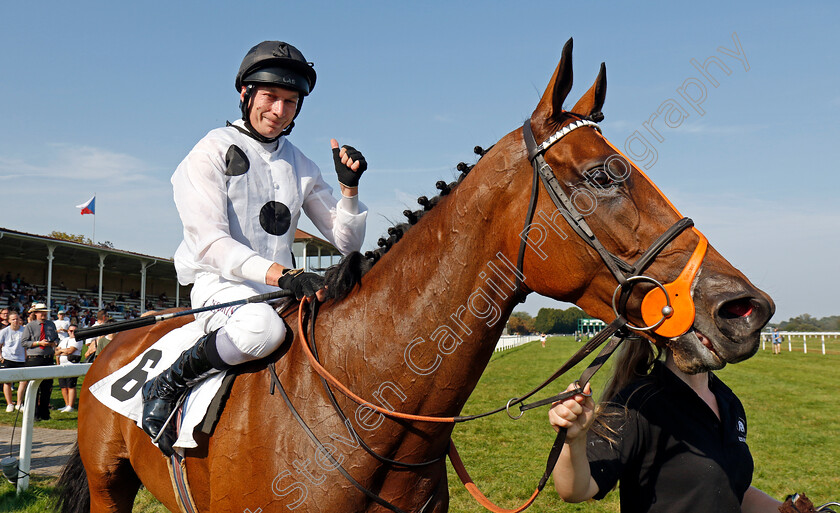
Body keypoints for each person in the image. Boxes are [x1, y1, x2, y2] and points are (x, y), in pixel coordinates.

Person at [140, 40, 368, 454]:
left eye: (290, 102)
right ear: (245, 94)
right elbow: (210, 244)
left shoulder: (302, 164)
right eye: (270, 97)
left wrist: (348, 190)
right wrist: (285, 274)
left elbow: (345, 240)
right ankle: (169, 382)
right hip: (220, 287)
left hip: (279, 288)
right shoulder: (207, 152)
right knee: (260, 329)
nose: (279, 111)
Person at [549, 341, 783, 512]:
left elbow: (730, 487)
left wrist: (785, 510)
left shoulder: (727, 400)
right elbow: (575, 490)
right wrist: (573, 441)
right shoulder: (637, 403)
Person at [20, 302, 58, 421]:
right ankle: (34, 413)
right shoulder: (30, 326)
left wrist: (53, 343)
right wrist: (38, 343)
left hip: (48, 358)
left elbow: (57, 338)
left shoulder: (51, 325)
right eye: (41, 313)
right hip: (34, 359)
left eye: (45, 313)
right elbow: (24, 342)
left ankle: (44, 413)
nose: (43, 315)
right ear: (36, 313)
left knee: (47, 388)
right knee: (33, 387)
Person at [0, 311, 27, 412]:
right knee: (7, 382)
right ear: (9, 321)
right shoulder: (4, 331)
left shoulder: (24, 330)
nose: (15, 321)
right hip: (8, 358)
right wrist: (0, 356)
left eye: (17, 319)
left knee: (23, 381)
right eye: (13, 319)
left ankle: (19, 403)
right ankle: (9, 403)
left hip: (21, 359)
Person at [55, 323, 83, 412]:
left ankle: (71, 406)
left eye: (75, 331)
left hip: (72, 365)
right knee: (63, 386)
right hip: (62, 365)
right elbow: (56, 352)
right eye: (71, 331)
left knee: (71, 386)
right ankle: (66, 404)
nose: (72, 333)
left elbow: (70, 351)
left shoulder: (78, 340)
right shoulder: (64, 340)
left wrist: (61, 351)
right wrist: (63, 351)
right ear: (68, 331)